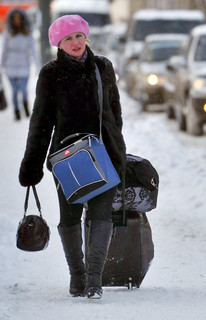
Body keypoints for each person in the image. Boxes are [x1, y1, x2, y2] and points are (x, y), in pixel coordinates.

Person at [18, 15, 126, 299]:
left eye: (78, 36)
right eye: (68, 39)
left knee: (103, 214)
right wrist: (32, 165)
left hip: (101, 154)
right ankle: (77, 277)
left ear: (85, 36)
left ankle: (94, 279)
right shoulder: (51, 74)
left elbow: (115, 113)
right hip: (66, 160)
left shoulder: (103, 67)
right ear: (59, 43)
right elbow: (40, 122)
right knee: (70, 217)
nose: (75, 43)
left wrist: (117, 149)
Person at [0, 8, 39, 120]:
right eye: (15, 18)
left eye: (19, 18)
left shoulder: (27, 32)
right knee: (15, 91)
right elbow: (5, 50)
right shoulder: (8, 33)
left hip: (24, 64)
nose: (17, 20)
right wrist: (1, 66)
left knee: (24, 89)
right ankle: (16, 111)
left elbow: (33, 50)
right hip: (10, 65)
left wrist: (37, 65)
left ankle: (26, 107)